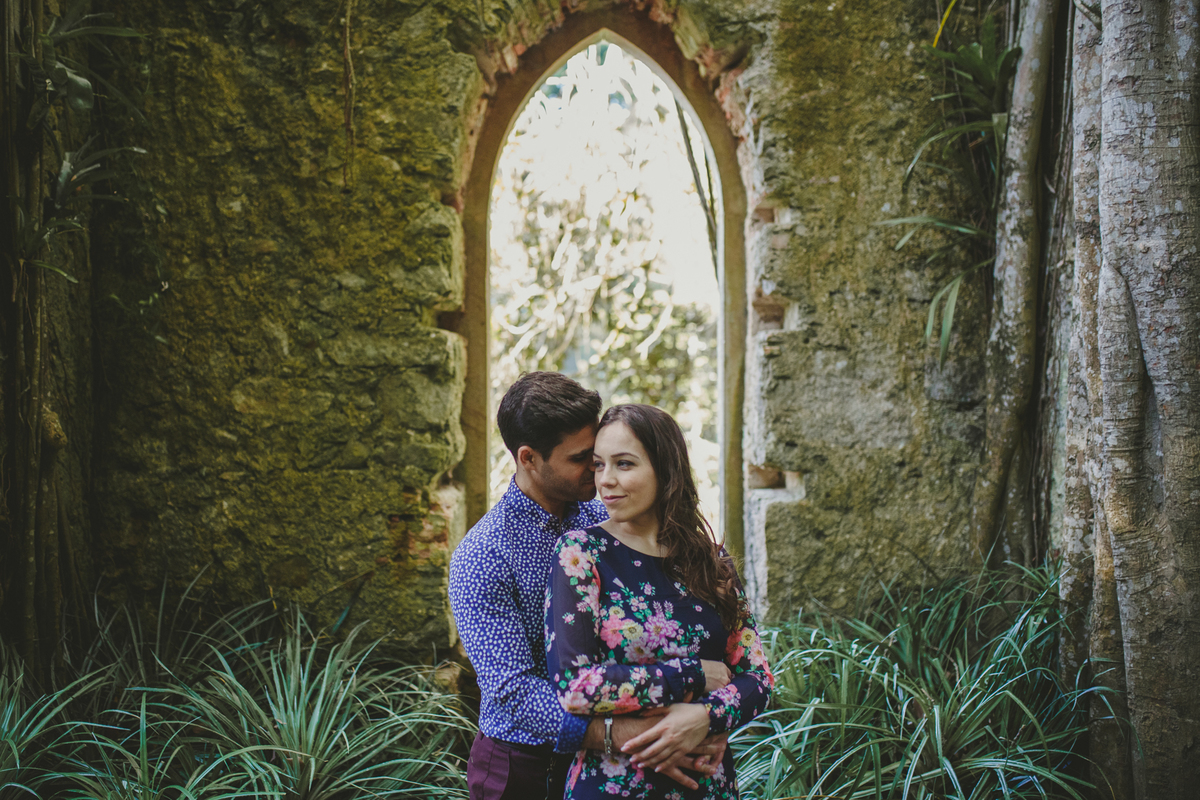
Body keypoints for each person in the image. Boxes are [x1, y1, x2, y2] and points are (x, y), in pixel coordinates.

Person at [449, 374, 726, 800]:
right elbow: (514, 693)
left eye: (601, 457)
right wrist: (634, 734)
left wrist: (700, 723)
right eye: (585, 459)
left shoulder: (610, 517)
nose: (598, 472)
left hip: (618, 765)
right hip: (524, 766)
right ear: (528, 458)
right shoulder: (483, 554)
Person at [546, 403, 773, 798]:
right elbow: (576, 685)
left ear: (665, 469)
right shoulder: (581, 554)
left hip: (707, 783)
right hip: (613, 784)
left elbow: (759, 678)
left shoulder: (711, 560)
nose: (606, 481)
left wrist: (705, 717)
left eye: (625, 464)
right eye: (599, 465)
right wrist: (693, 676)